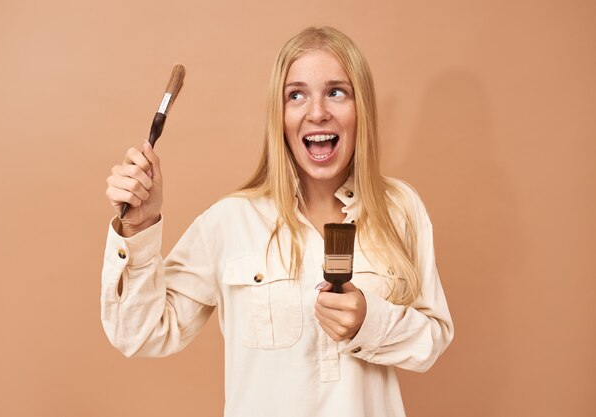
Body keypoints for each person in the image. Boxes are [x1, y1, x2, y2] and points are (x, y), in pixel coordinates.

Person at [102, 26, 453, 417]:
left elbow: (432, 341)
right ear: (280, 115)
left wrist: (369, 322)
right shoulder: (230, 220)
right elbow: (140, 334)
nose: (317, 112)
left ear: (361, 109)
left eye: (336, 92)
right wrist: (139, 227)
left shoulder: (400, 208)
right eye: (296, 95)